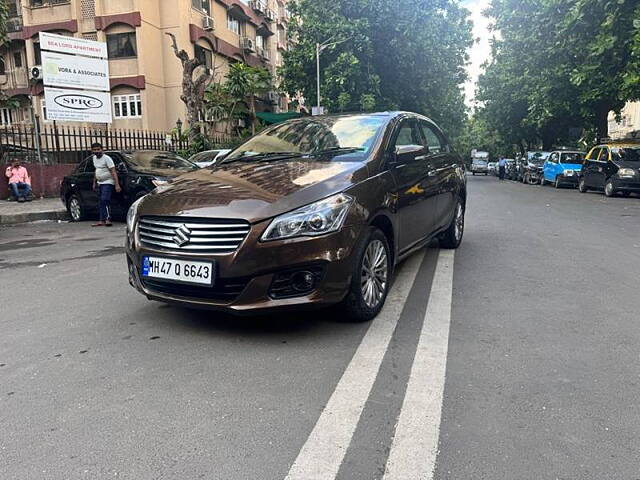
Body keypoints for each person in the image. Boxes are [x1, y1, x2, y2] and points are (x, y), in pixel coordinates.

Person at [91, 143, 121, 227]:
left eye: (98, 149)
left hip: (108, 182)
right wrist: (94, 182)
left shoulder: (107, 159)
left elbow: (113, 171)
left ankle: (108, 219)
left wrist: (117, 184)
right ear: (92, 150)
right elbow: (96, 170)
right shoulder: (94, 158)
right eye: (95, 150)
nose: (96, 151)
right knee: (101, 201)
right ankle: (101, 220)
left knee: (105, 199)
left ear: (102, 149)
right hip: (99, 182)